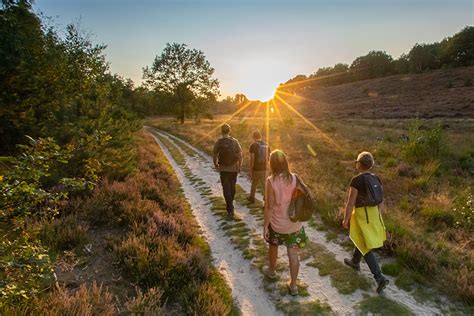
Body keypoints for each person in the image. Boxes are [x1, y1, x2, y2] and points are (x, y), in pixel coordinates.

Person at [342, 151, 389, 294]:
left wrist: (346, 219)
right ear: (370, 165)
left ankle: (379, 278)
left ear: (359, 164)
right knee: (361, 239)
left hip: (362, 216)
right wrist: (380, 217)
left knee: (365, 245)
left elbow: (350, 203)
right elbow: (380, 199)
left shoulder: (356, 180)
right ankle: (355, 262)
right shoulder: (376, 178)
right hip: (374, 214)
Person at [263, 150, 307, 296]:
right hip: (294, 224)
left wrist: (265, 226)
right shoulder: (295, 178)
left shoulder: (271, 181)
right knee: (293, 254)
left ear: (272, 164)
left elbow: (269, 206)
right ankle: (293, 286)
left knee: (273, 246)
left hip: (277, 225)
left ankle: (272, 271)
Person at [213, 123, 243, 218]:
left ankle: (230, 208)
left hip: (223, 169)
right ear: (229, 131)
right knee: (232, 188)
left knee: (226, 189)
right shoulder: (234, 141)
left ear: (221, 131)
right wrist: (239, 166)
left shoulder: (219, 142)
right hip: (233, 168)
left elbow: (215, 155)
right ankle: (230, 204)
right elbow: (240, 155)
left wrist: (216, 164)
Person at [247, 130, 270, 203]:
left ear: (253, 137)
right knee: (264, 185)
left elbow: (252, 159)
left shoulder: (253, 145)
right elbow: (269, 158)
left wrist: (250, 170)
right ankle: (266, 200)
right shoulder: (266, 145)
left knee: (254, 183)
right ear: (260, 136)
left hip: (256, 169)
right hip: (265, 169)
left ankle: (252, 198)